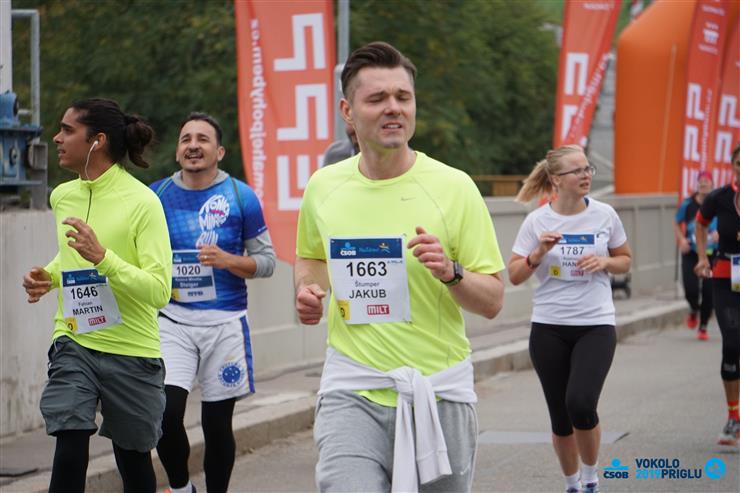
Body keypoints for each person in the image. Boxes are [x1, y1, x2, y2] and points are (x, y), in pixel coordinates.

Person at [294, 42, 505, 492]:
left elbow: (492, 301)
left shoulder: (454, 188)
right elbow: (311, 256)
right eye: (377, 98)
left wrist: (451, 271)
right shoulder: (324, 187)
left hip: (438, 392)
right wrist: (308, 290)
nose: (393, 108)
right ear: (348, 112)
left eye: (402, 97)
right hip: (352, 387)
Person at [21, 98, 171, 493]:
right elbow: (71, 257)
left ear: (97, 141)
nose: (56, 138)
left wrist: (104, 258)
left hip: (132, 349)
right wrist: (49, 276)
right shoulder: (62, 196)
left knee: (133, 461)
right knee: (69, 441)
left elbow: (159, 289)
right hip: (75, 339)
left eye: (67, 130)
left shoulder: (143, 202)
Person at [151, 112, 276, 493]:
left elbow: (267, 262)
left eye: (202, 139)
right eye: (186, 139)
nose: (193, 145)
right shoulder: (156, 196)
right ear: (177, 152)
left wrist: (228, 260)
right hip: (172, 321)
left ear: (219, 152)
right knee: (165, 414)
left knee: (217, 425)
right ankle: (181, 487)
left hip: (225, 324)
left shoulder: (241, 196)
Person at [508, 145, 632, 493]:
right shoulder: (537, 221)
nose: (586, 175)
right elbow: (514, 275)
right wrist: (538, 253)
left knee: (580, 403)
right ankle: (572, 484)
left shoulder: (605, 215)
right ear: (556, 180)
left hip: (595, 324)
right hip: (549, 327)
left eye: (587, 168)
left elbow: (625, 259)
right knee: (561, 418)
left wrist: (605, 262)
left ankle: (591, 479)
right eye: (577, 170)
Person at [694, 143, 740, 446]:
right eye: (739, 163)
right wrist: (701, 257)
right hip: (726, 277)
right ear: (733, 166)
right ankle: (734, 417)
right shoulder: (719, 198)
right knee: (732, 343)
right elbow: (700, 225)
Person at [673, 171, 718, 339]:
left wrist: (719, 233)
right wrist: (681, 240)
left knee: (708, 291)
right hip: (691, 252)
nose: (703, 184)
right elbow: (676, 222)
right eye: (701, 181)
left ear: (712, 185)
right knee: (690, 289)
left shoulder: (717, 203)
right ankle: (693, 309)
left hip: (711, 254)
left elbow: (728, 221)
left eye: (707, 181)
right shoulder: (688, 204)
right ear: (697, 184)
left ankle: (703, 327)